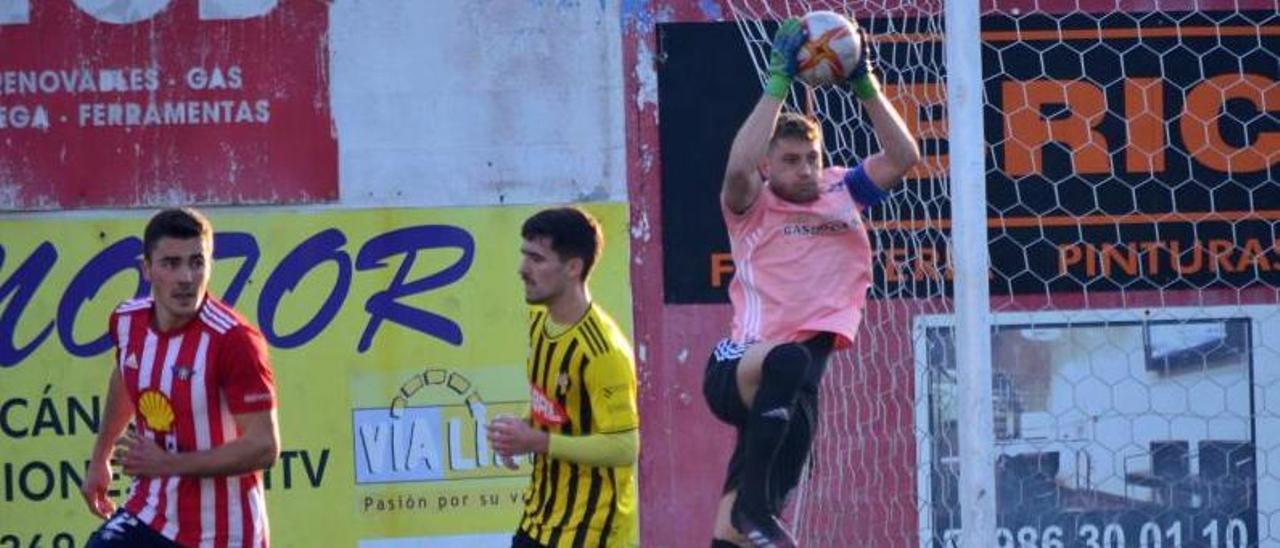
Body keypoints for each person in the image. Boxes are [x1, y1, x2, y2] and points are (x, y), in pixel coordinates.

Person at [702, 17, 921, 548]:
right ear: (768, 165)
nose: (804, 170)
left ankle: (751, 510)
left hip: (796, 387)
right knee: (788, 361)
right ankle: (756, 506)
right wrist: (778, 84)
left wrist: (864, 83)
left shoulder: (840, 189)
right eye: (790, 160)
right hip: (742, 366)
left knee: (736, 531)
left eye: (811, 159)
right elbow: (736, 168)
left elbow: (904, 158)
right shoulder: (752, 204)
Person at [81, 208, 281, 547]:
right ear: (147, 269)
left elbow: (264, 446)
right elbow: (127, 375)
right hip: (152, 512)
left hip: (223, 533)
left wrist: (170, 463)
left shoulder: (234, 340)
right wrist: (101, 457)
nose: (186, 277)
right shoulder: (128, 321)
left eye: (197, 262)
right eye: (171, 264)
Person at [488, 207, 641, 548]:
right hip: (538, 521)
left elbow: (625, 447)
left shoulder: (603, 352)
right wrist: (520, 431)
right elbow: (563, 408)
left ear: (573, 268)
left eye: (537, 259)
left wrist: (536, 441)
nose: (522, 269)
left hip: (590, 533)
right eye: (524, 255)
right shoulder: (540, 323)